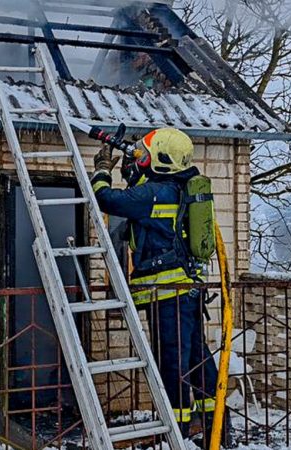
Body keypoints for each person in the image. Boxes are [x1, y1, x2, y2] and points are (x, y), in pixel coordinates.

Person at [90, 128, 224, 445]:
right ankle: (215, 428)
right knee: (197, 360)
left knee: (172, 365)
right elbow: (142, 192)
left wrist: (101, 168)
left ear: (162, 160)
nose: (142, 155)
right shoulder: (175, 189)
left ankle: (174, 432)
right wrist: (132, 164)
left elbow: (106, 199)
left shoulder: (154, 194)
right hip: (186, 292)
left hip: (167, 297)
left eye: (148, 153)